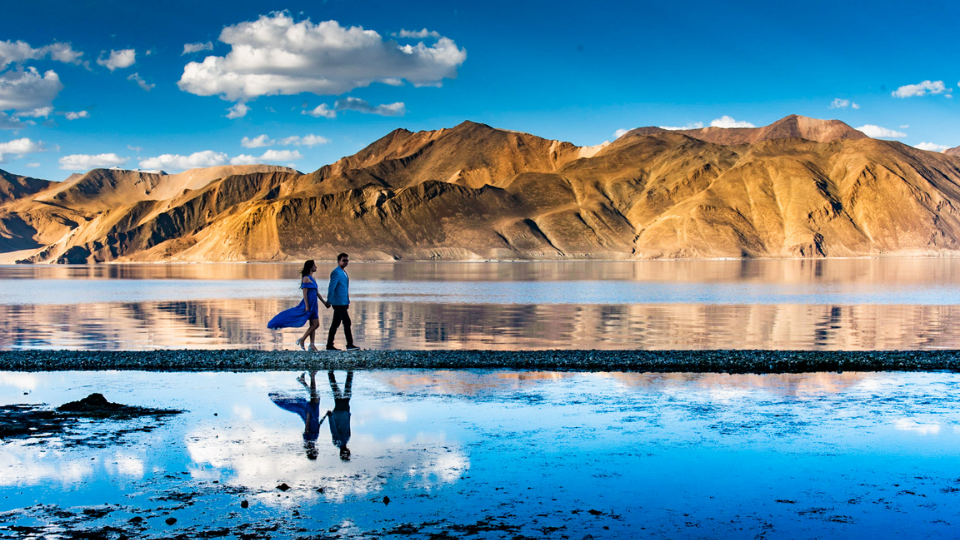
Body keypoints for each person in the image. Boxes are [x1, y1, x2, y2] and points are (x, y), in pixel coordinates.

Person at [268, 260, 331, 351]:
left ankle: (312, 345)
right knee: (316, 324)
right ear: (310, 267)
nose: (316, 267)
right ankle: (302, 339)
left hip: (314, 304)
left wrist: (324, 303)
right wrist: (306, 305)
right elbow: (305, 293)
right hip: (308, 304)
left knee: (314, 324)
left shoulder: (313, 279)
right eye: (314, 266)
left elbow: (317, 293)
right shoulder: (306, 278)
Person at [269, 370, 324, 460]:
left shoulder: (308, 441)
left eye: (315, 453)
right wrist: (324, 417)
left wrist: (308, 415)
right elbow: (318, 427)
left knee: (315, 396)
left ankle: (311, 376)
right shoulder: (313, 441)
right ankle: (305, 380)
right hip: (315, 416)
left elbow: (306, 429)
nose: (316, 451)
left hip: (310, 416)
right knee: (315, 396)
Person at [326, 253, 359, 351]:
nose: (346, 262)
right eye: (344, 260)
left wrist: (347, 301)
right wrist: (329, 300)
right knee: (347, 322)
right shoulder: (336, 272)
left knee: (335, 324)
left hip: (343, 302)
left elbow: (344, 288)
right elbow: (331, 287)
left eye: (347, 260)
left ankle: (329, 345)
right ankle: (349, 344)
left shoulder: (343, 272)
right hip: (338, 303)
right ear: (339, 261)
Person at [326, 370, 353, 460]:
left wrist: (330, 417)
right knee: (337, 393)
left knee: (346, 393)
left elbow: (334, 429)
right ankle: (331, 374)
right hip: (339, 413)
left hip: (342, 413)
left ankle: (349, 373)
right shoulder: (338, 442)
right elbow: (335, 429)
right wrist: (330, 416)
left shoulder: (343, 440)